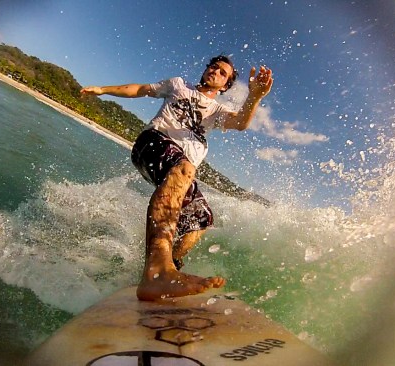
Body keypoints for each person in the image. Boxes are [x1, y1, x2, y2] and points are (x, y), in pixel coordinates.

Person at [81, 55, 273, 301]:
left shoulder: (216, 111)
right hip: (153, 143)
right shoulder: (178, 85)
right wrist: (103, 90)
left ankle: (164, 269)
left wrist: (254, 96)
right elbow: (140, 89)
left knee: (202, 219)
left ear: (225, 86)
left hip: (180, 169)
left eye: (223, 73)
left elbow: (240, 123)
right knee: (186, 169)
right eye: (214, 66)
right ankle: (157, 272)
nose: (216, 71)